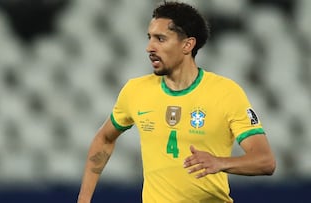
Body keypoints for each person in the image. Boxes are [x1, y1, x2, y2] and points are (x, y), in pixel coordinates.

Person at [77, 1, 276, 203]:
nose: (149, 47)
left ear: (187, 45)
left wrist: (220, 162)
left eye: (160, 39)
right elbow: (105, 138)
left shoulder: (226, 93)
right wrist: (84, 199)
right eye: (149, 38)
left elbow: (265, 161)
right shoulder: (135, 91)